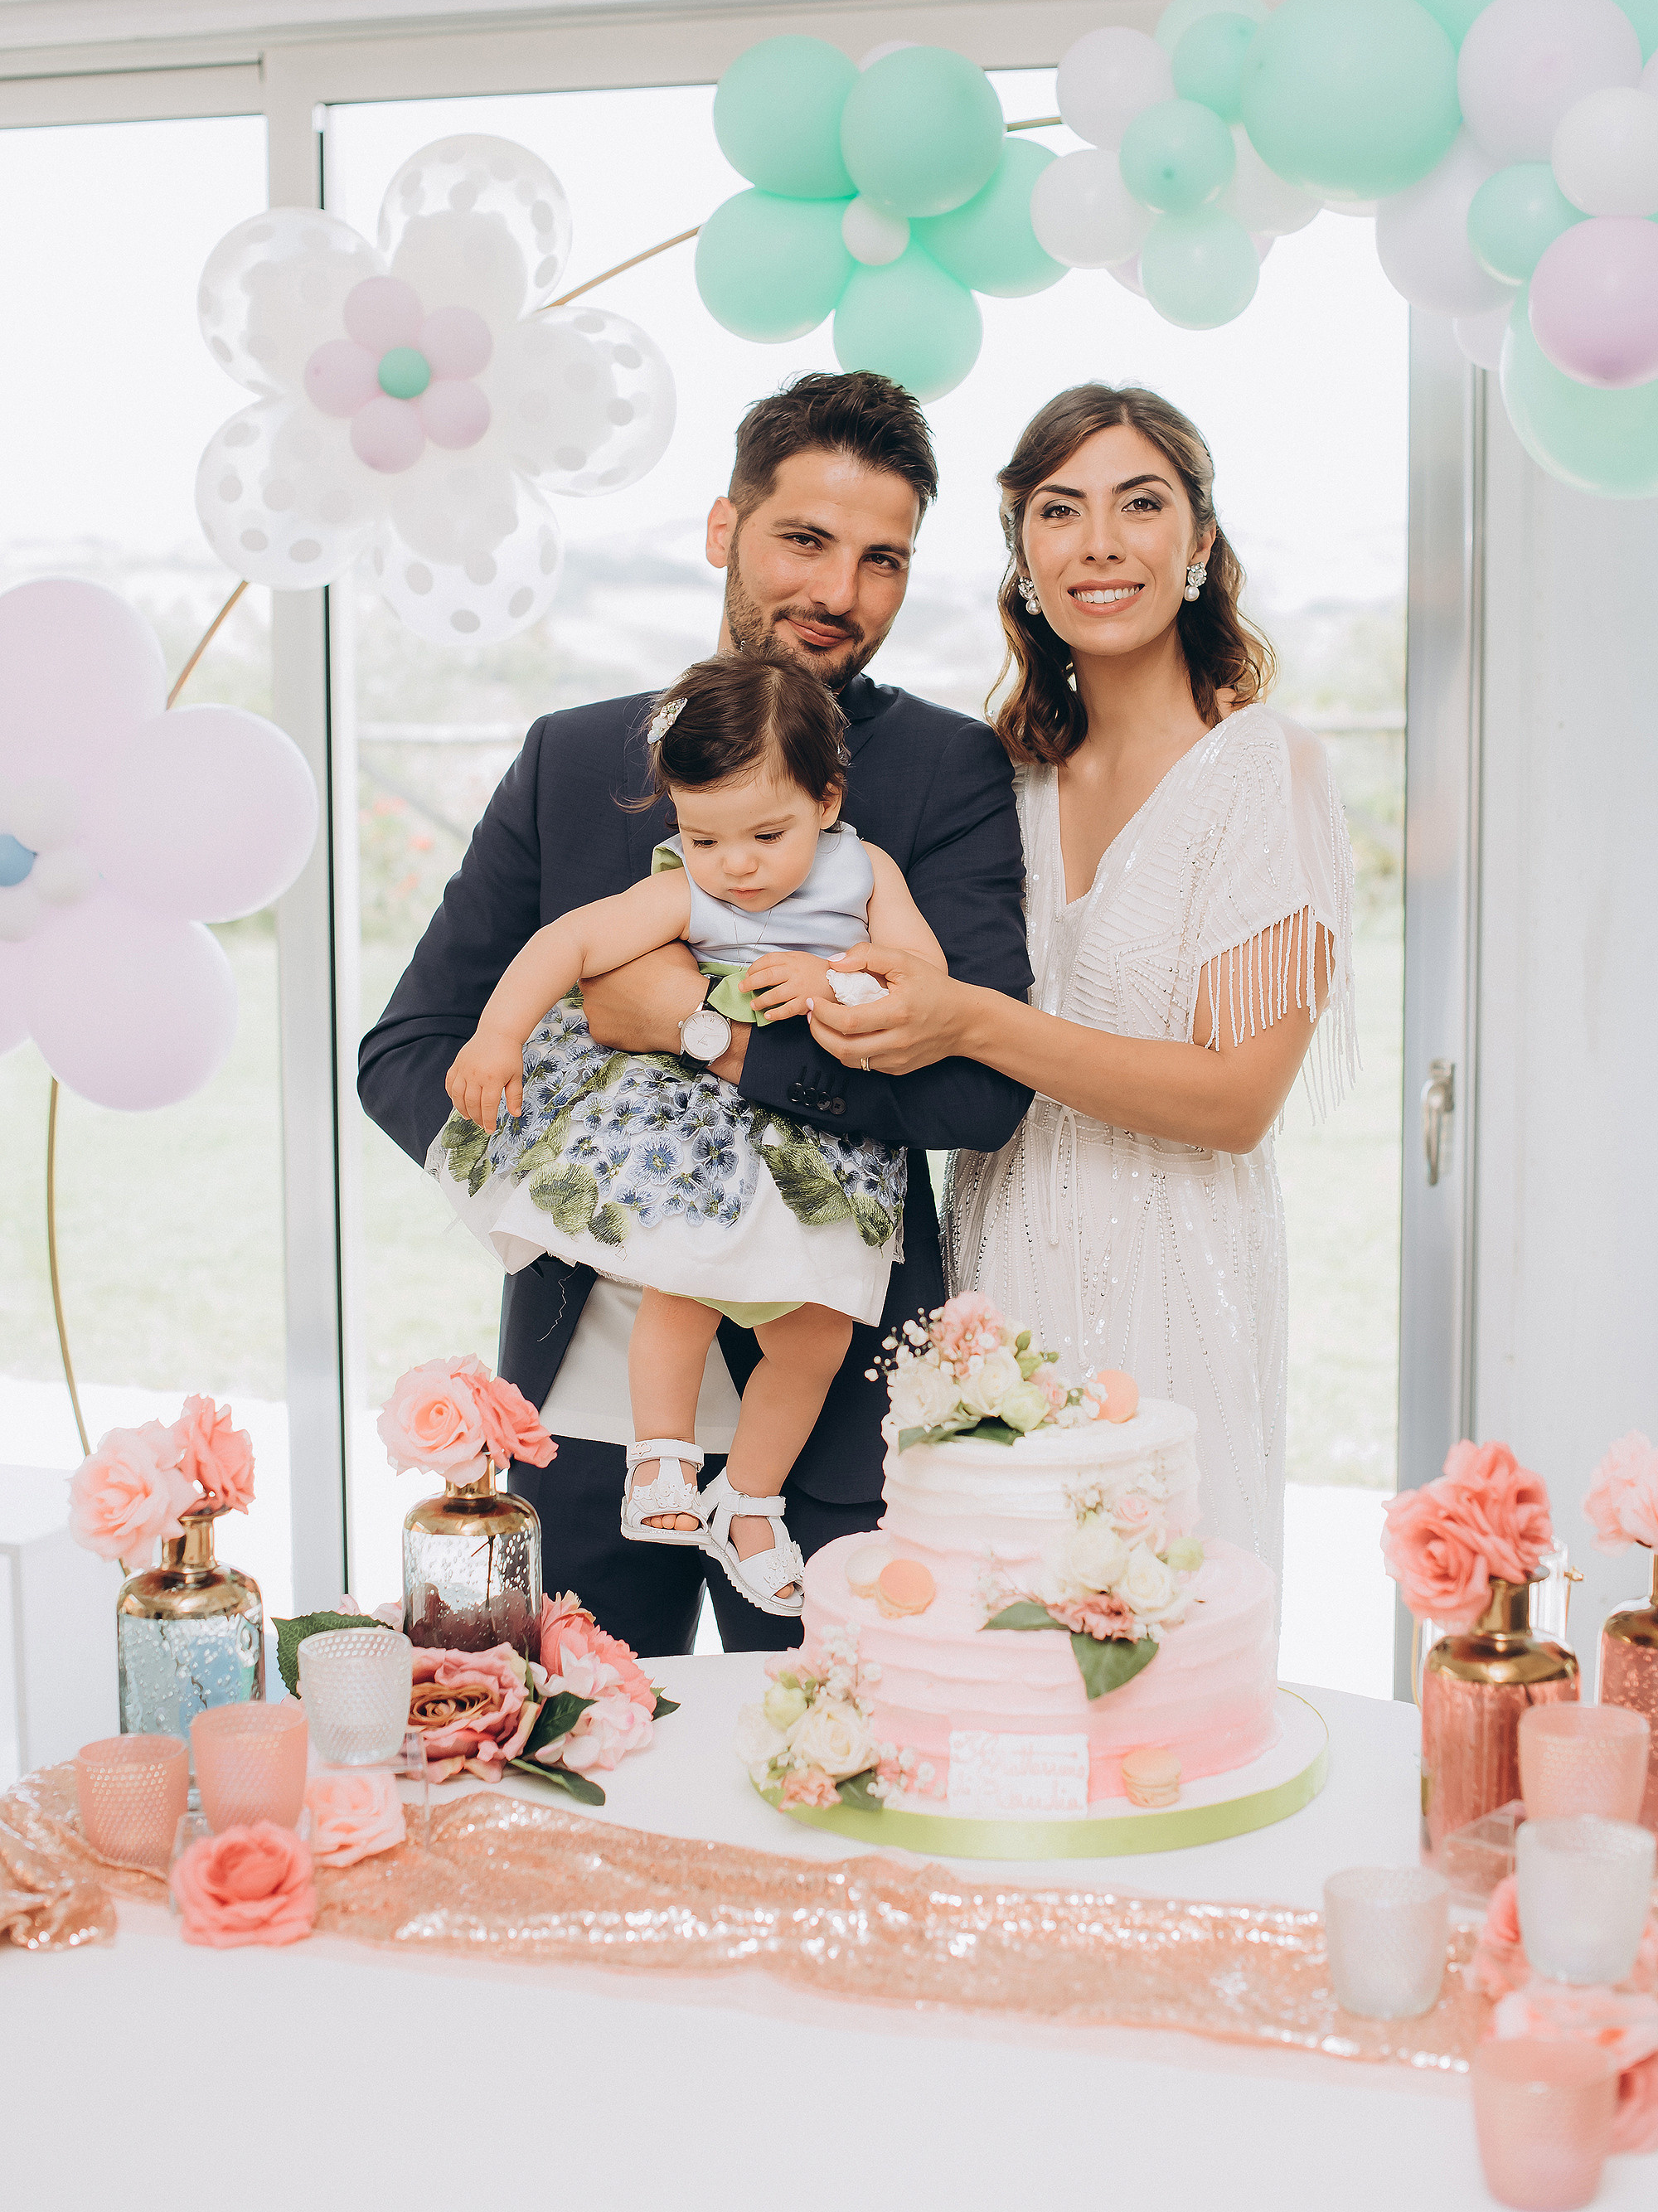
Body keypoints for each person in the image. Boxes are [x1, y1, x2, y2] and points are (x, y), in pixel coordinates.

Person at [358, 370, 1032, 1657]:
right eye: (804, 540)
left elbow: (976, 1089)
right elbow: (405, 1049)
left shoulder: (944, 771)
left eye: (881, 558)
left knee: (837, 1800)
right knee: (587, 1782)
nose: (839, 591)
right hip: (584, 1420)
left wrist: (703, 1032)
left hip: (834, 1422)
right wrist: (567, 1176)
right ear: (725, 530)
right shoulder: (573, 756)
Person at [809, 383, 1356, 1581]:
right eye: (1060, 511)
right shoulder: (1006, 784)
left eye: (1140, 504)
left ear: (1199, 545)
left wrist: (977, 1021)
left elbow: (1234, 1103)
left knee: (1151, 1657)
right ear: (1024, 556)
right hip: (998, 1281)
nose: (1100, 543)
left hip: (1175, 1284)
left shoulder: (1261, 772)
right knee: (991, 1667)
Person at [433, 647, 946, 1618]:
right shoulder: (690, 887)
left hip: (819, 1149)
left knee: (817, 1332)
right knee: (682, 1286)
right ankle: (659, 1457)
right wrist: (500, 1036)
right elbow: (570, 943)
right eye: (704, 838)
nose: (737, 866)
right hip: (703, 1139)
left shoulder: (862, 872)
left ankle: (746, 1503)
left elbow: (923, 982)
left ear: (826, 800)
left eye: (764, 833)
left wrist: (835, 980)